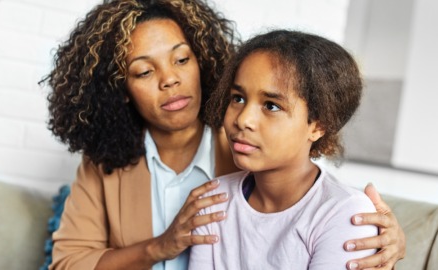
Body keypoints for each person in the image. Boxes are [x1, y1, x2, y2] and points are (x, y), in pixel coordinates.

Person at [42, 0, 405, 269]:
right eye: (143, 72)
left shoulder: (250, 151)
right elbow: (68, 263)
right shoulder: (104, 163)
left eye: (181, 60)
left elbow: (317, 202)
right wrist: (160, 246)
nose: (170, 79)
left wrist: (387, 240)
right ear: (121, 88)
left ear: (202, 61)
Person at [188, 30, 392, 270]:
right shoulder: (213, 200)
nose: (243, 119)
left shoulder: (345, 212)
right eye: (238, 98)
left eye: (271, 105)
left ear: (318, 126)